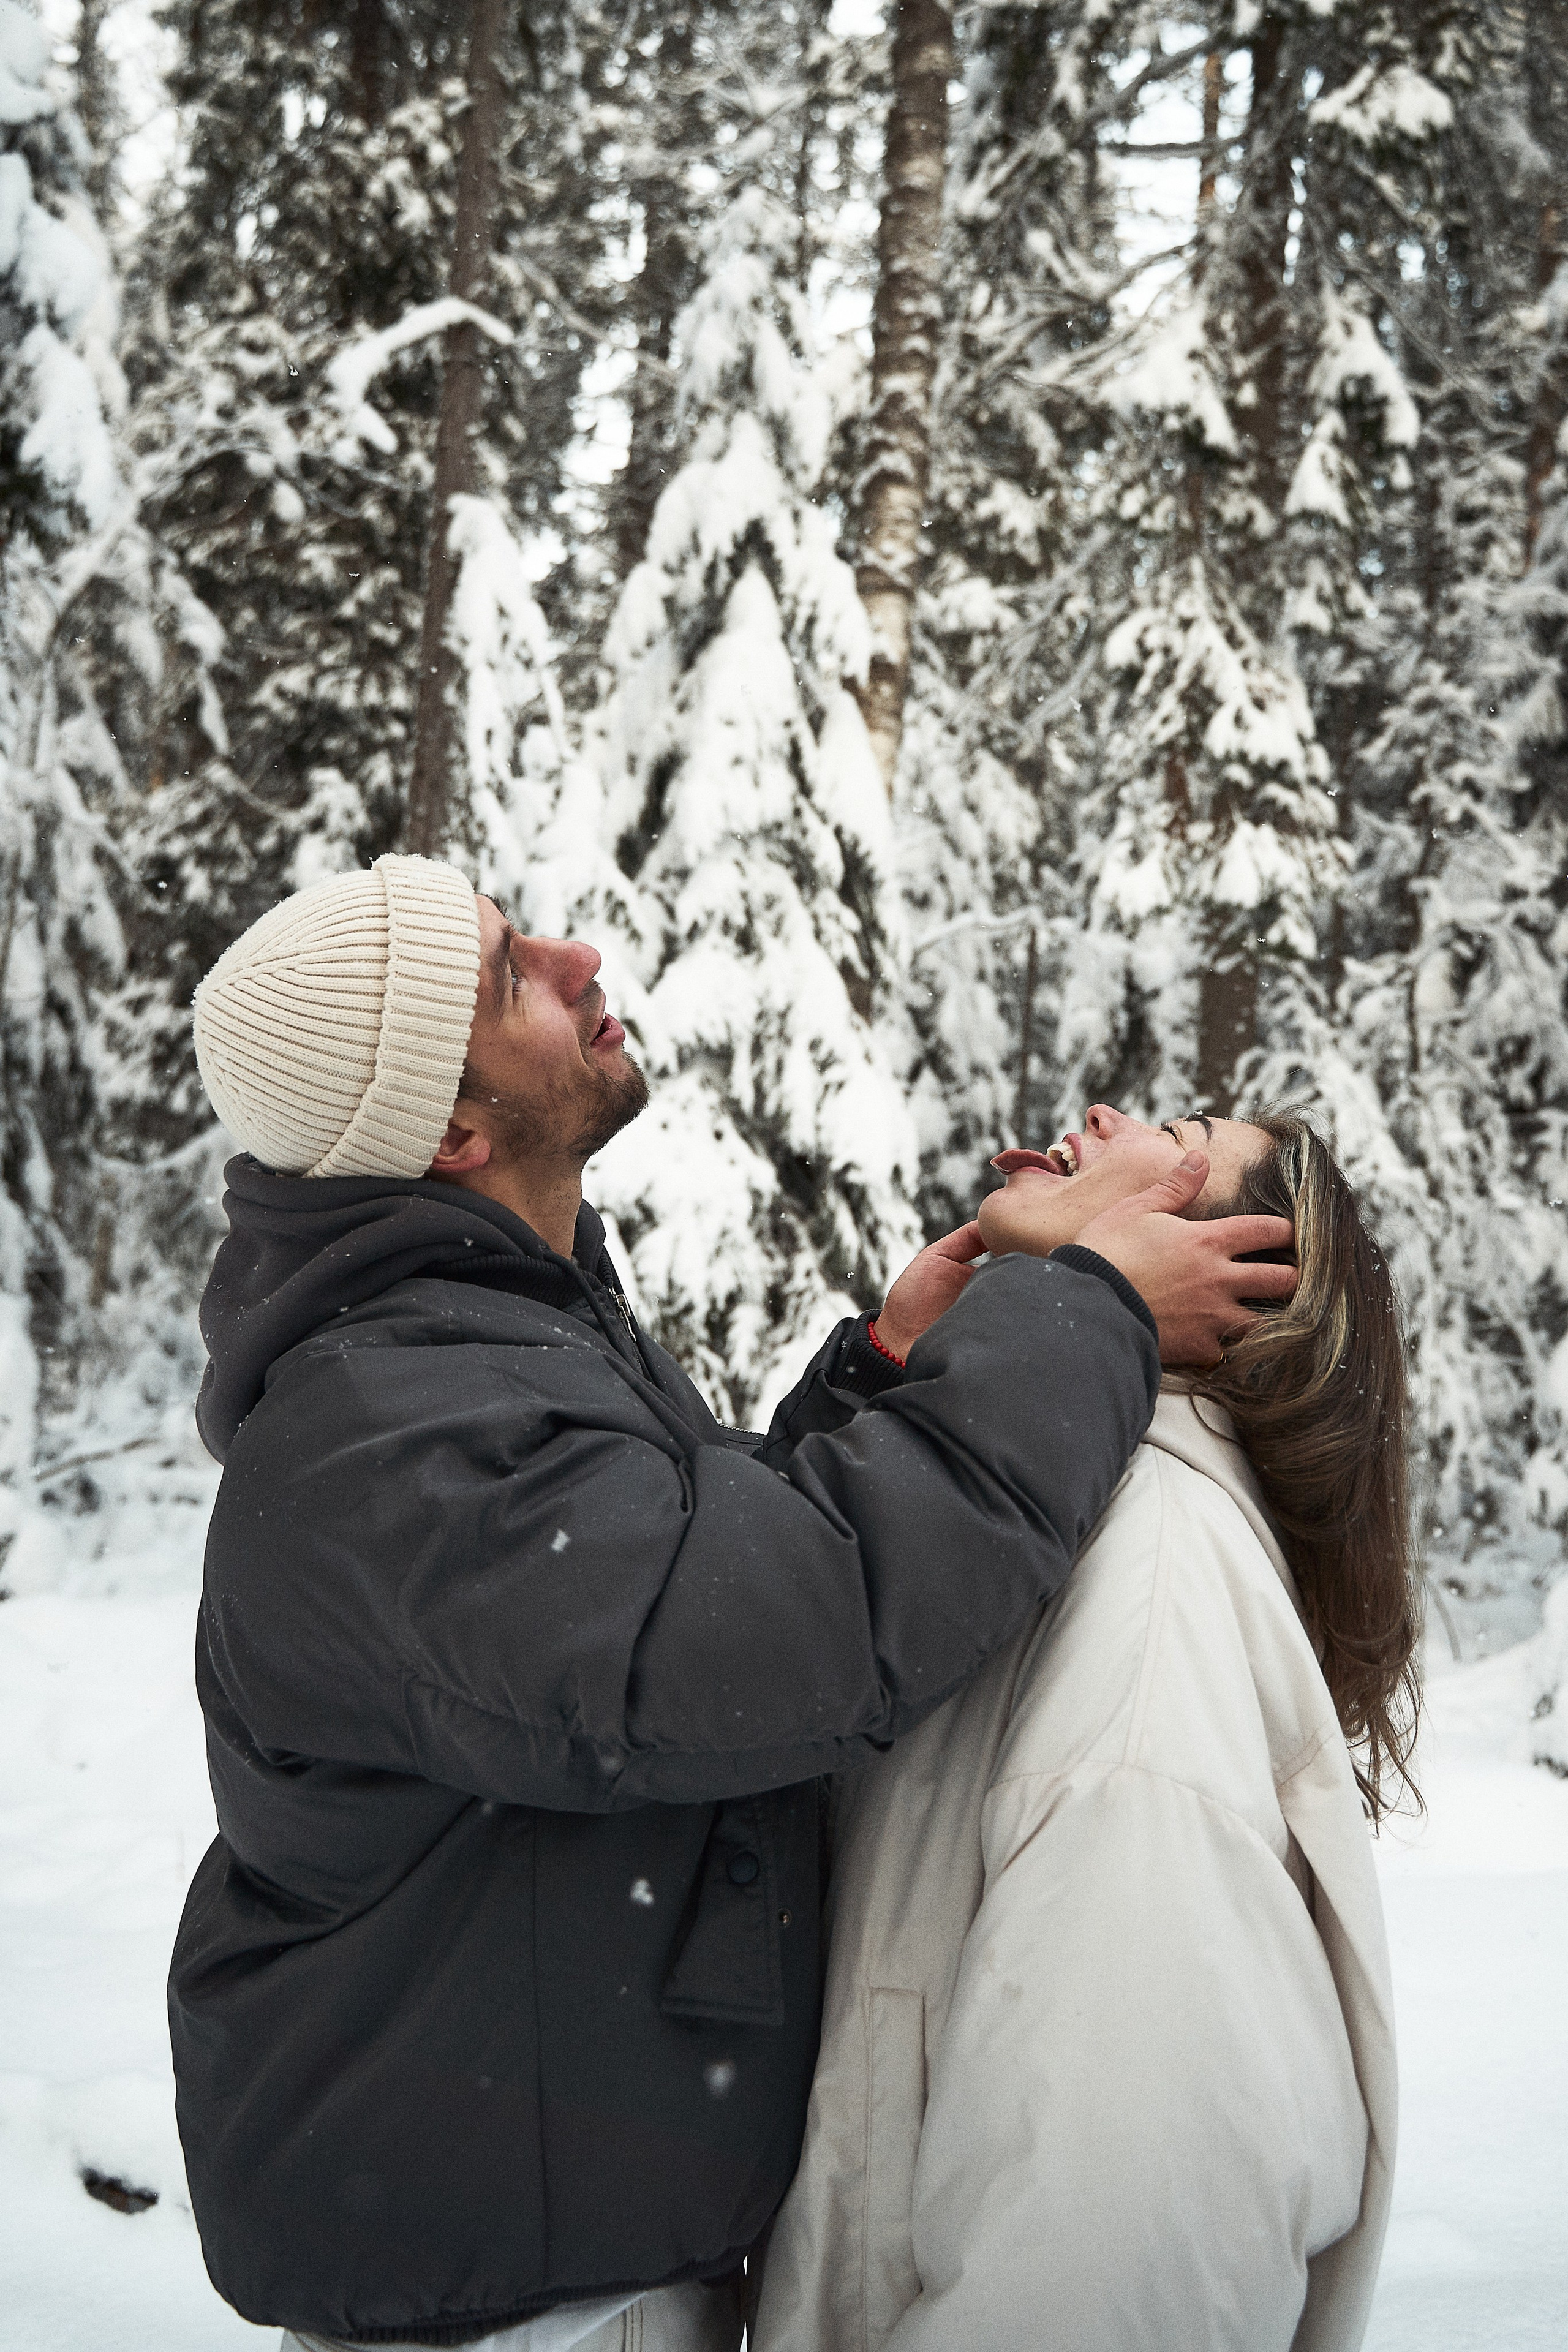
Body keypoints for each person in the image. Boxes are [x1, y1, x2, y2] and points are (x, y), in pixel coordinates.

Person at [167, 856, 1295, 2352]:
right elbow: (746, 1645)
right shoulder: (385, 1421)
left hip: (543, 2255)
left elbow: (666, 1568)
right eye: (513, 975)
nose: (576, 956)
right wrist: (1078, 1309)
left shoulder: (477, 1339)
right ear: (451, 1132)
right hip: (520, 2313)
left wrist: (883, 1367)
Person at [753, 1102, 1417, 2352]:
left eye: (1176, 1132)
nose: (1103, 1110)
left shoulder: (1149, 1585)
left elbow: (1112, 2257)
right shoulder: (1031, 1523)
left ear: (1221, 1270)